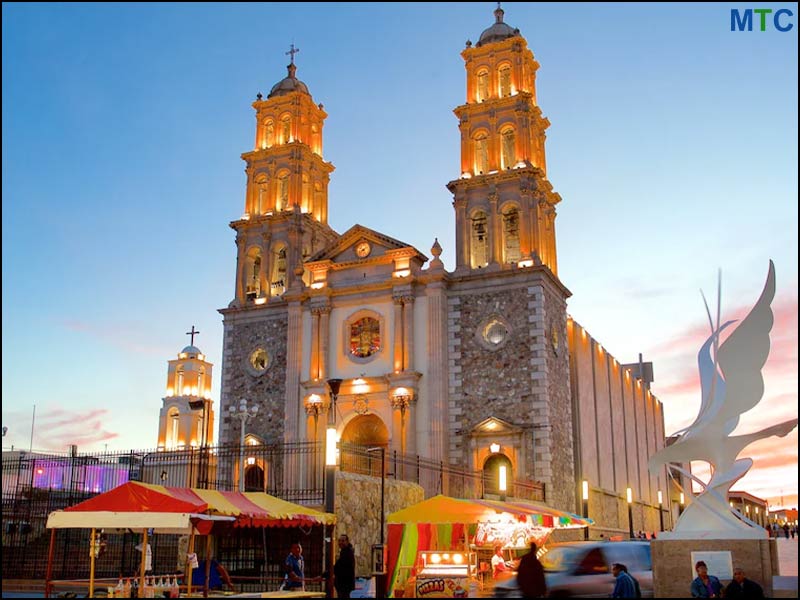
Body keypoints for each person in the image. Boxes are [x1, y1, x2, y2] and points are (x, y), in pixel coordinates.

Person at [333, 534, 355, 599]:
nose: (340, 542)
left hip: (344, 584)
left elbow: (338, 567)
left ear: (347, 542)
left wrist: (325, 574)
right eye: (339, 541)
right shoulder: (345, 552)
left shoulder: (347, 553)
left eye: (343, 541)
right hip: (344, 584)